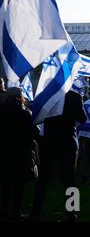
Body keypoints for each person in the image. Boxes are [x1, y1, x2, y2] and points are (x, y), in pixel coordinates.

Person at [31, 90, 87, 222]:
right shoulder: (74, 96)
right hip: (68, 140)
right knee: (70, 177)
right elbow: (82, 118)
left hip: (50, 140)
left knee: (43, 178)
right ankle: (71, 212)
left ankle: (35, 211)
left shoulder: (46, 94)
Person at [0, 88, 39, 221]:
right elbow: (33, 133)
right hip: (21, 153)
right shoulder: (25, 113)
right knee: (18, 185)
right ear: (20, 97)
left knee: (6, 183)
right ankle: (15, 212)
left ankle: (4, 210)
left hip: (4, 152)